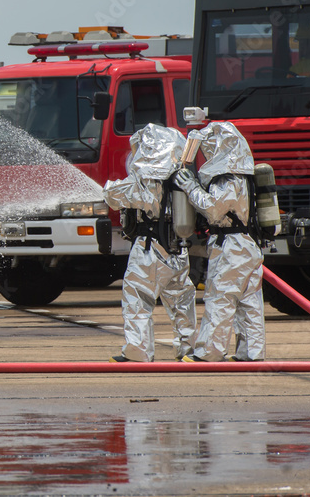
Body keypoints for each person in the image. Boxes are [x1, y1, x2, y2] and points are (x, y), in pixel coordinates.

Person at [103, 124, 196, 362]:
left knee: (137, 298)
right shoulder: (181, 178)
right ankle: (190, 350)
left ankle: (138, 351)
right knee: (181, 302)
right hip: (178, 248)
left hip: (150, 249)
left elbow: (113, 196)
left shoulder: (145, 181)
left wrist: (107, 187)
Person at [174, 121, 266, 362]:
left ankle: (209, 353)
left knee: (220, 299)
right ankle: (251, 354)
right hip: (247, 244)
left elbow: (213, 210)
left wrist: (189, 186)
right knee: (249, 302)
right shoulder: (243, 176)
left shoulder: (225, 179)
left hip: (230, 246)